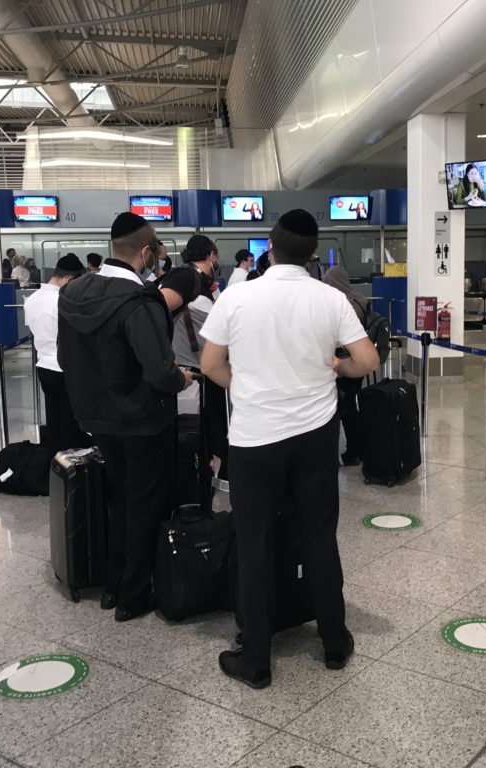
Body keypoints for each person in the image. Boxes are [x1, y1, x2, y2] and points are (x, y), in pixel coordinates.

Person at [200, 209, 379, 688]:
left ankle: (256, 659)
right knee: (320, 538)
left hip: (255, 438)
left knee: (253, 543)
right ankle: (335, 643)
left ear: (270, 249)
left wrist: (245, 388)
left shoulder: (238, 296)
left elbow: (210, 361)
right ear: (314, 254)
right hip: (315, 436)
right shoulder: (329, 297)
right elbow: (367, 359)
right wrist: (335, 368)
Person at [58, 212, 192, 622]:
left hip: (97, 418)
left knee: (120, 497)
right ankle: (134, 594)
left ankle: (114, 584)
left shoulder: (74, 293)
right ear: (147, 251)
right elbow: (158, 368)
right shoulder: (139, 301)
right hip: (143, 418)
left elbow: (66, 357)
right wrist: (180, 380)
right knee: (145, 502)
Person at [158, 235, 230, 481]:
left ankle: (210, 468)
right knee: (207, 423)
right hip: (195, 368)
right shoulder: (189, 280)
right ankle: (207, 470)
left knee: (210, 422)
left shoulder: (199, 282)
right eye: (215, 256)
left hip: (198, 365)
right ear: (211, 255)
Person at [23, 254, 91, 453]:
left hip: (44, 365)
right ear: (69, 279)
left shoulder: (32, 298)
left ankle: (53, 461)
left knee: (54, 419)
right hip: (65, 367)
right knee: (70, 420)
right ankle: (71, 469)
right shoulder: (62, 301)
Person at [323, 266, 369, 466]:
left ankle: (354, 452)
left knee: (347, 408)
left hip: (347, 361)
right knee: (351, 406)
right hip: (357, 360)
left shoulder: (347, 304)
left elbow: (340, 337)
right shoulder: (359, 298)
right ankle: (359, 449)